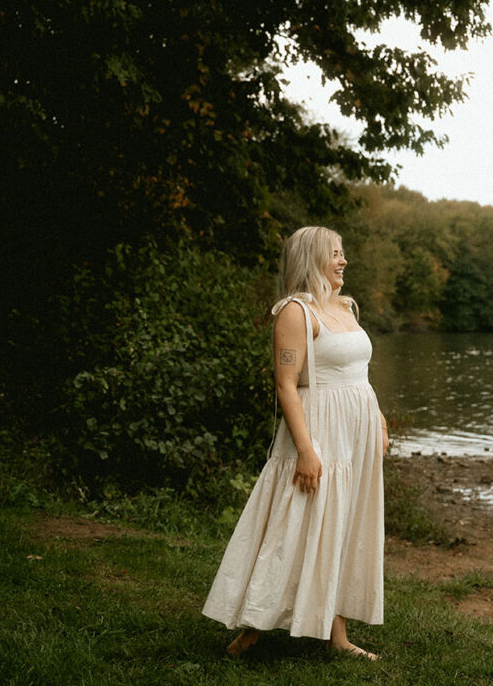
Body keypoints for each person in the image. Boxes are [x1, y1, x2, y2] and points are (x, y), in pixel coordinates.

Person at [202, 226, 389, 661]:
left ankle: (336, 636)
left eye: (343, 253)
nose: (343, 261)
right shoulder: (294, 312)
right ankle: (251, 630)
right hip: (318, 428)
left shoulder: (345, 307)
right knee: (297, 522)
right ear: (311, 258)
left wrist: (377, 418)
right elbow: (286, 384)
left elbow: (359, 372)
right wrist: (306, 450)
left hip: (355, 432)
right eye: (335, 254)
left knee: (343, 525)